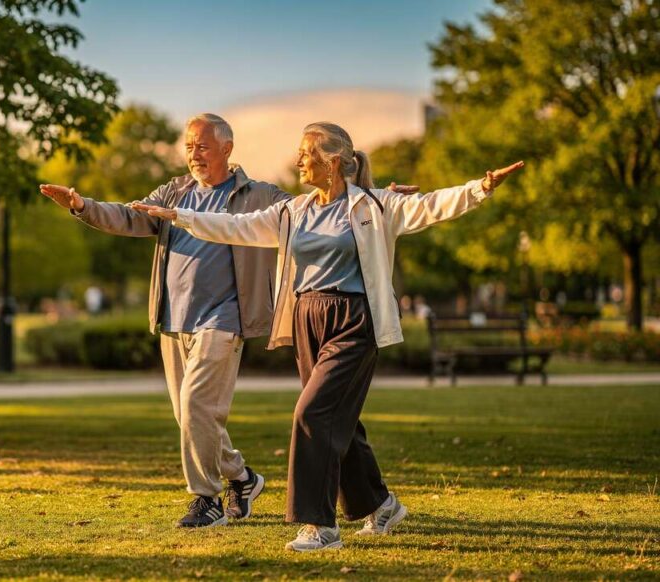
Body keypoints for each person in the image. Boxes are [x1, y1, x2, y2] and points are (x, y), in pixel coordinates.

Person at [132, 121, 523, 549]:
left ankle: (320, 525)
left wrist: (480, 187)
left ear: (332, 161)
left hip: (355, 320)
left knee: (312, 415)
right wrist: (182, 217)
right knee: (341, 420)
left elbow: (431, 206)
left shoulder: (374, 205)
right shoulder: (294, 211)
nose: (298, 161)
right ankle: (382, 505)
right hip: (307, 320)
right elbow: (237, 226)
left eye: (306, 154)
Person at [40, 114, 416, 529]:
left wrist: (377, 199)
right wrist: (80, 206)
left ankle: (206, 499)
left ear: (226, 149)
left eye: (202, 146)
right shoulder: (174, 191)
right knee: (191, 418)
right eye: (188, 147)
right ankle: (241, 477)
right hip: (173, 318)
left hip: (224, 318)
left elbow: (323, 203)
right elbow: (131, 217)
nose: (193, 155)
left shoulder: (257, 195)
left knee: (197, 407)